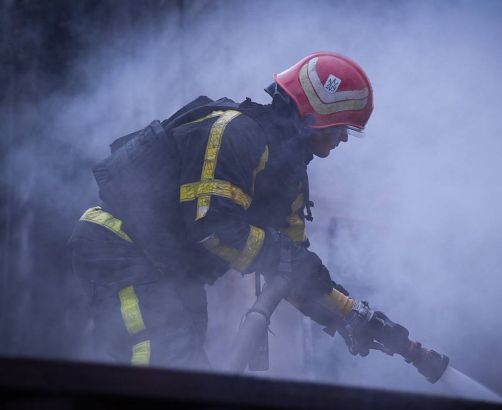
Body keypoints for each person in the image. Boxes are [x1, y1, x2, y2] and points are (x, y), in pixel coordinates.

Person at [68, 51, 373, 369]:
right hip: (122, 247)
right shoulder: (234, 134)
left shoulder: (288, 174)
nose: (344, 138)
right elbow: (212, 227)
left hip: (170, 268)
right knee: (160, 360)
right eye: (341, 127)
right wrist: (282, 254)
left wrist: (348, 315)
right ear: (314, 119)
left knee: (189, 371)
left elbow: (293, 268)